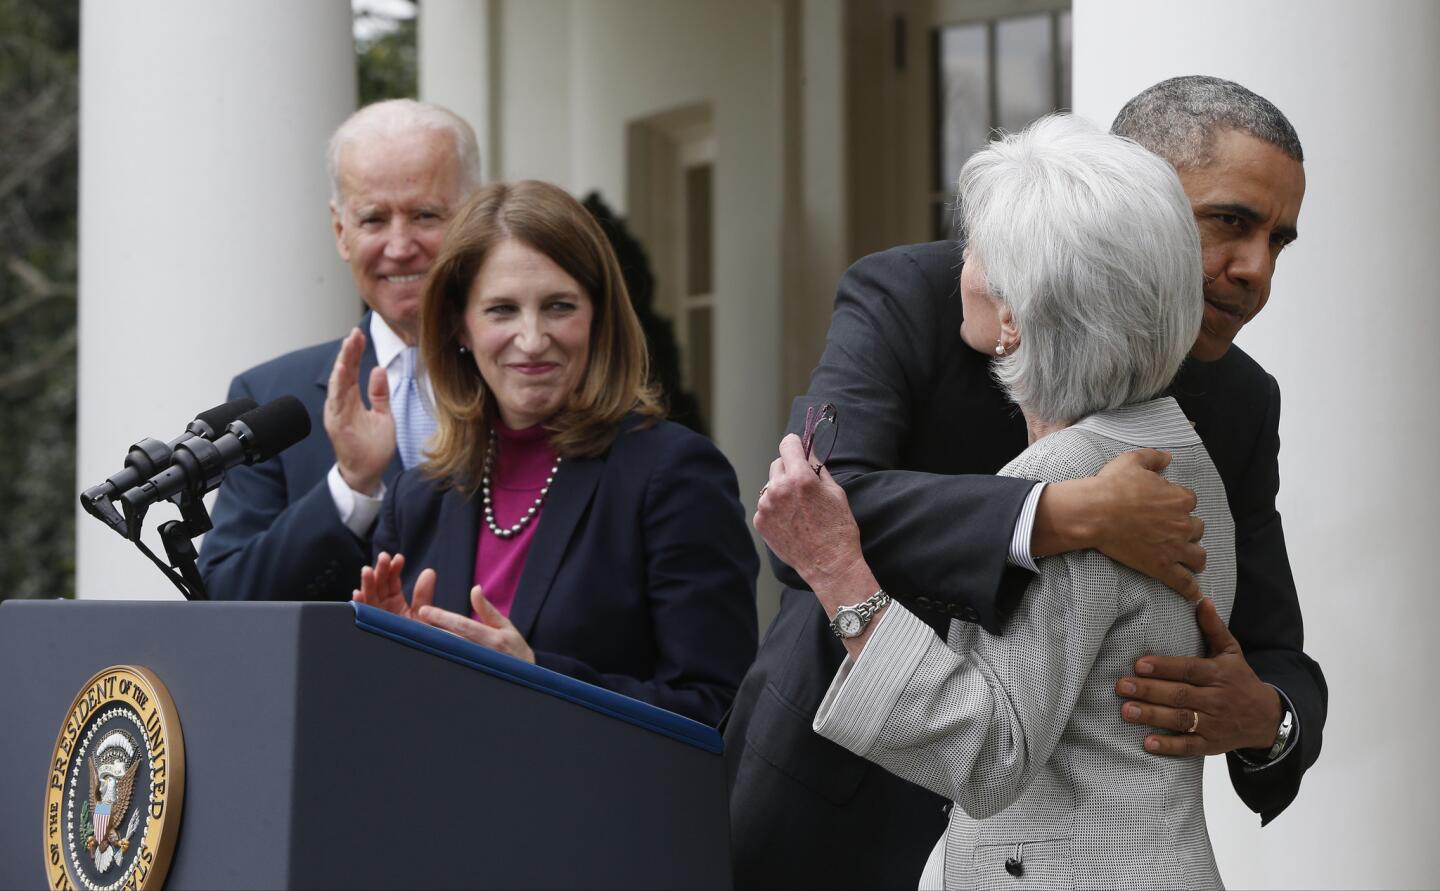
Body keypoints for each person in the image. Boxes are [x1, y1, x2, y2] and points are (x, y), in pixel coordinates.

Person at [726, 76, 1326, 888]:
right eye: (1230, 222)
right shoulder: (916, 295)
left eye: (1280, 240)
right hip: (837, 813)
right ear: (1121, 191)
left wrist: (1268, 718)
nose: (1257, 269)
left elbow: (1272, 644)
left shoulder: (1238, 400)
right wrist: (1063, 510)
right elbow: (817, 514)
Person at [352, 180, 759, 726]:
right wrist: (387, 656)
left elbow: (721, 709)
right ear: (459, 326)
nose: (532, 338)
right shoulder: (420, 492)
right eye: (501, 310)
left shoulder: (674, 474)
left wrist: (537, 676)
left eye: (558, 306)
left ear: (597, 316)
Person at [198, 99, 481, 602]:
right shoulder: (271, 399)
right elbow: (229, 597)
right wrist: (350, 487)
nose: (399, 246)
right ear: (340, 231)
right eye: (373, 219)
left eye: (425, 215)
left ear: (474, 217)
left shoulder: (529, 376)